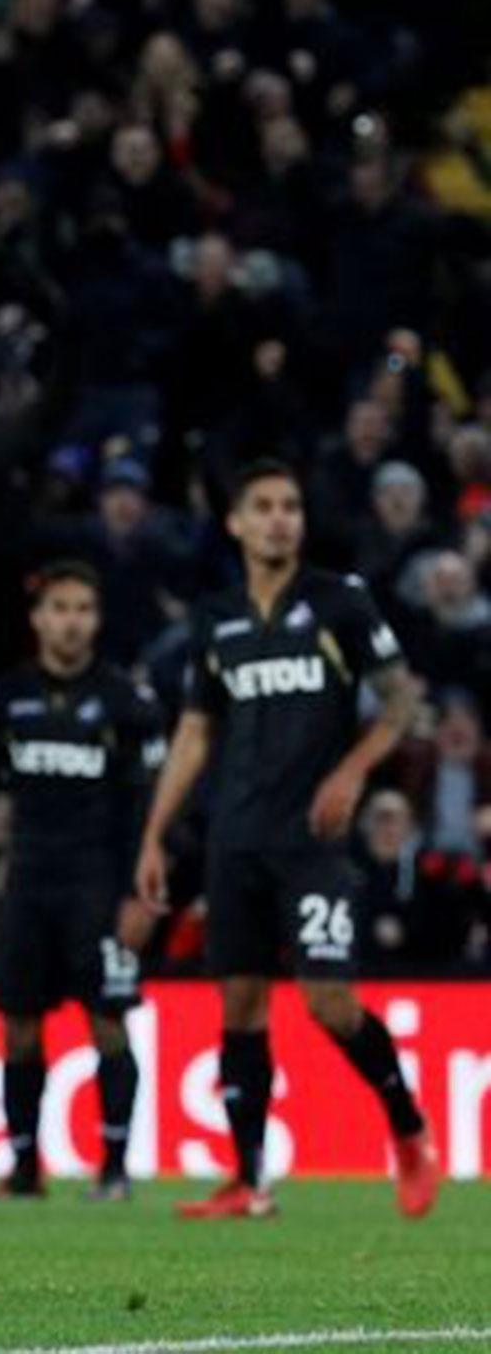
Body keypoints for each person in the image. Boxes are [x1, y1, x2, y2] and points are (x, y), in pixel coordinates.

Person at [136, 460, 440, 1220]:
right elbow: (195, 733)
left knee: (329, 1002)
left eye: (292, 507)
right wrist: (153, 836)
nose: (280, 519)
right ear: (236, 523)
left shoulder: (340, 602)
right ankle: (248, 1180)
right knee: (239, 1007)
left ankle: (407, 1128)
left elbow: (403, 702)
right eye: (265, 507)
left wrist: (352, 772)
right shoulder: (217, 619)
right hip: (234, 840)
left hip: (312, 845)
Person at [0, 562, 163, 1203]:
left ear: (96, 620)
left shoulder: (128, 702)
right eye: (61, 608)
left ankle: (116, 1170)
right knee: (18, 1024)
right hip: (27, 880)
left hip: (100, 883)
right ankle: (22, 1171)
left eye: (83, 609)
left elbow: (147, 809)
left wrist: (140, 891)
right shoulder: (6, 697)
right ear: (39, 618)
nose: (72, 621)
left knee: (107, 1019)